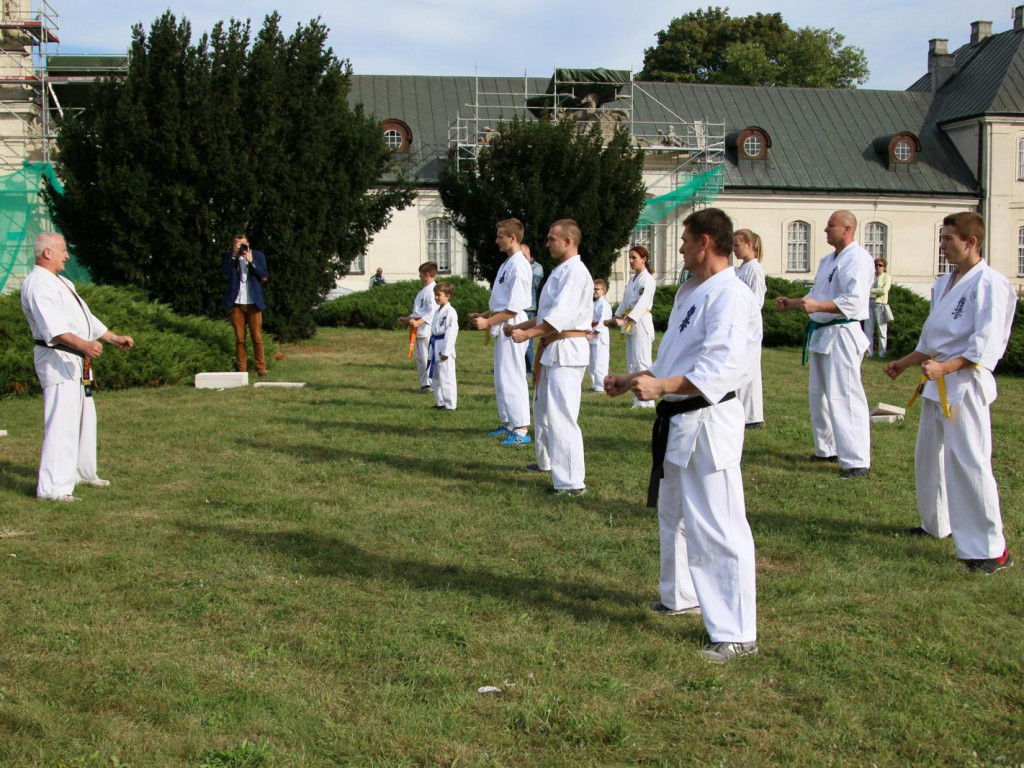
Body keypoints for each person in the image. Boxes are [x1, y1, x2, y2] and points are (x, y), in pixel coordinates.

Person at [604, 208, 760, 663]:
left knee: (719, 526)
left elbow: (718, 369)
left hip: (709, 421)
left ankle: (737, 631)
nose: (680, 248)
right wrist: (637, 378)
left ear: (706, 242)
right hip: (678, 419)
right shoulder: (693, 291)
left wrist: (662, 387)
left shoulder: (730, 296)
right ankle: (681, 596)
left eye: (686, 240)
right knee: (675, 516)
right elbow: (675, 359)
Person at [884, 212, 1015, 574]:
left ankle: (990, 549)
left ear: (971, 241)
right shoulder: (944, 283)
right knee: (928, 457)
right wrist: (906, 362)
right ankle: (936, 524)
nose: (943, 246)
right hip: (936, 383)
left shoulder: (990, 283)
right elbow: (933, 340)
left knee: (968, 463)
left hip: (965, 385)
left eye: (949, 239)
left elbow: (986, 345)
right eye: (942, 239)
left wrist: (945, 367)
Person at [20, 232, 135, 502]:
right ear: (47, 253)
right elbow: (54, 328)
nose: (67, 255)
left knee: (84, 418)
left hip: (75, 359)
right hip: (58, 359)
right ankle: (53, 488)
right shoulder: (38, 284)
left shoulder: (61, 281)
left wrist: (111, 337)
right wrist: (84, 345)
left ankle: (82, 473)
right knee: (61, 422)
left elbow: (84, 316)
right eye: (63, 250)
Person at [776, 210, 873, 479]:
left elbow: (854, 301)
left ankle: (856, 459)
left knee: (845, 395)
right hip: (822, 333)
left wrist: (818, 306)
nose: (826, 229)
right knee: (819, 395)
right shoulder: (827, 260)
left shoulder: (858, 259)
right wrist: (794, 303)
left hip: (842, 332)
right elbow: (816, 295)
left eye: (831, 225)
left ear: (847, 229)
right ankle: (827, 448)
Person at [507, 219, 594, 494]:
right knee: (544, 410)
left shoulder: (575, 273)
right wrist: (521, 326)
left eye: (551, 239)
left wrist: (528, 335)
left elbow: (560, 318)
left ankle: (571, 483)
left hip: (566, 349)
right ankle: (547, 462)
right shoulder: (561, 271)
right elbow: (545, 314)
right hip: (554, 349)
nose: (547, 244)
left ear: (568, 242)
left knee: (562, 415)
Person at [469, 219, 533, 445]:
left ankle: (522, 428)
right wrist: (485, 315)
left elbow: (514, 307)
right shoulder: (508, 263)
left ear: (512, 238)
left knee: (514, 376)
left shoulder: (519, 265)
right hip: (503, 322)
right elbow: (502, 302)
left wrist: (488, 323)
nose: (496, 241)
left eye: (499, 236)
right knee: (502, 378)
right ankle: (508, 422)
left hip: (513, 324)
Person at [607, 245, 656, 409]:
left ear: (644, 259)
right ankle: (638, 399)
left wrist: (627, 319)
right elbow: (625, 301)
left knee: (642, 362)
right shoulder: (633, 279)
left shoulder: (647, 279)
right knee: (632, 364)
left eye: (634, 257)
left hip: (641, 322)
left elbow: (642, 304)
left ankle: (647, 400)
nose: (631, 261)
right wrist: (615, 317)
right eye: (630, 257)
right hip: (631, 324)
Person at [221, 234, 269, 377]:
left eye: (242, 244)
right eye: (237, 245)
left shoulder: (258, 255)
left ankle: (261, 369)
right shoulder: (231, 257)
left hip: (253, 302)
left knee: (257, 337)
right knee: (240, 339)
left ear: (248, 243)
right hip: (236, 302)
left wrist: (251, 261)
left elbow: (264, 276)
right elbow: (224, 273)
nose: (240, 247)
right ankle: (242, 370)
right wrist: (234, 256)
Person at [733, 229, 766, 429]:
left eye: (737, 245)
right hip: (739, 324)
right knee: (740, 369)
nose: (734, 249)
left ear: (749, 245)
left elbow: (756, 300)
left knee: (750, 370)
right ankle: (741, 411)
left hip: (749, 326)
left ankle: (753, 416)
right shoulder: (741, 269)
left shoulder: (754, 269)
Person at [398, 261, 438, 392]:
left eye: (420, 274)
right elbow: (419, 311)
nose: (419, 277)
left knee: (427, 357)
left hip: (427, 328)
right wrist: (407, 318)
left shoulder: (433, 291)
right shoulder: (423, 291)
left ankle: (431, 384)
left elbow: (432, 312)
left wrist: (419, 322)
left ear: (426, 274)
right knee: (420, 358)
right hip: (418, 328)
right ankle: (425, 384)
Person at [429, 281, 459, 411]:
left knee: (447, 377)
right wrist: (430, 352)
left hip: (444, 346)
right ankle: (439, 402)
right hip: (435, 344)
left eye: (439, 295)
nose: (436, 297)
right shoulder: (437, 311)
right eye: (435, 295)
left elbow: (451, 333)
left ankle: (450, 405)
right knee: (436, 377)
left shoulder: (450, 312)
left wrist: (446, 352)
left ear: (448, 296)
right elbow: (433, 332)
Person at [587, 279, 612, 392]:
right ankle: (595, 385)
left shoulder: (604, 305)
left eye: (597, 289)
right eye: (593, 289)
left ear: (604, 291)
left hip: (600, 335)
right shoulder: (594, 303)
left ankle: (601, 386)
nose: (594, 291)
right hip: (592, 333)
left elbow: (603, 321)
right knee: (592, 363)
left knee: (600, 362)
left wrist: (594, 333)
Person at [524, 245, 545, 374]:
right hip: (515, 308)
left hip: (529, 308)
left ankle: (528, 368)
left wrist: (524, 268)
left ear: (527, 253)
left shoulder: (537, 268)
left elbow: (532, 285)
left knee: (527, 340)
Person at [865, 258, 891, 357]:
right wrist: (874, 290)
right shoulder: (871, 277)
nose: (878, 267)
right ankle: (869, 353)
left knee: (882, 330)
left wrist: (871, 290)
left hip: (880, 304)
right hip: (869, 303)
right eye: (876, 265)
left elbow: (884, 290)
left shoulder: (886, 277)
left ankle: (882, 353)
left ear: (884, 267)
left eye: (880, 265)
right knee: (868, 330)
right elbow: (865, 288)